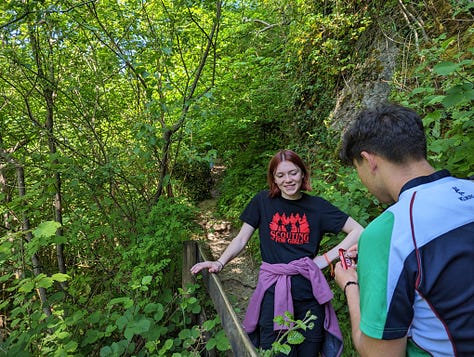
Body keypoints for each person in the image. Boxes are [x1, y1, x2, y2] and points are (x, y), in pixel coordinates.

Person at [191, 149, 363, 356]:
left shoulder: (317, 207)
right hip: (272, 295)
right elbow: (241, 239)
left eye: (293, 173)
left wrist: (325, 259)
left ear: (302, 174)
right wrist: (220, 262)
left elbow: (358, 231)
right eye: (280, 175)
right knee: (276, 351)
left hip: (309, 296)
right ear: (273, 178)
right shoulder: (262, 202)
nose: (288, 180)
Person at [334, 103, 474, 357]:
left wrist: (350, 284)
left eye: (358, 170)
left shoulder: (388, 231)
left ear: (369, 160)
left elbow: (379, 353)